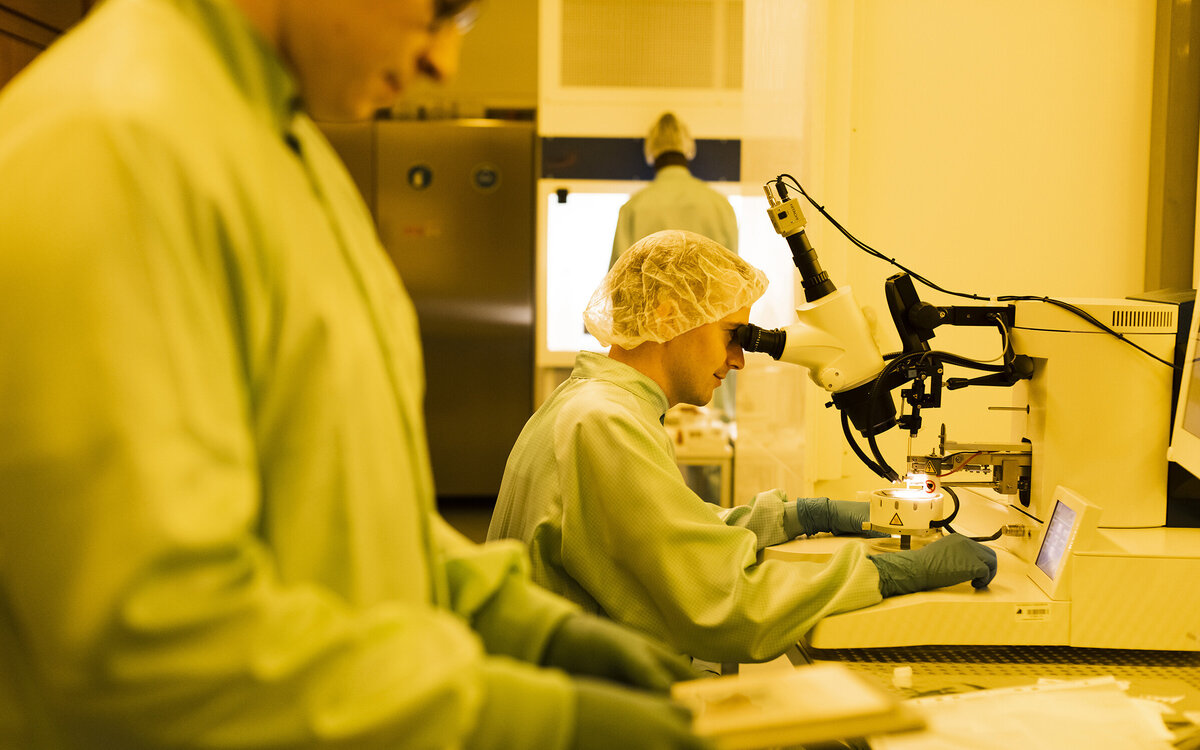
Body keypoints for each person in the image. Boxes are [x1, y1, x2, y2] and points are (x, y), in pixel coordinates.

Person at [0, 1, 713, 748]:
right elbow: (149, 637)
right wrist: (512, 719)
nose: (445, 62)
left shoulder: (284, 147)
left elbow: (343, 500)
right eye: (441, 10)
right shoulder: (116, 144)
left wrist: (519, 623)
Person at [488, 230, 998, 665]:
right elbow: (725, 606)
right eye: (733, 334)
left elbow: (672, 537)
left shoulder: (590, 404)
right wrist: (894, 572)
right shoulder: (605, 424)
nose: (740, 359)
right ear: (668, 319)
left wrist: (806, 514)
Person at [610, 112, 739, 267]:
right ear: (689, 149)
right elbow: (733, 278)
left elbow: (616, 282)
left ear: (650, 152)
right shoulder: (720, 206)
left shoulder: (633, 208)